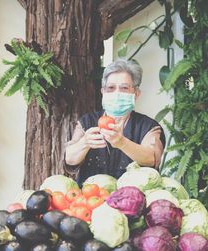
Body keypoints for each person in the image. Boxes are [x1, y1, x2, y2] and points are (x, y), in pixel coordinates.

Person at [64, 58, 165, 187]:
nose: (117, 93)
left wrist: (122, 143)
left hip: (132, 200)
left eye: (124, 88)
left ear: (136, 93)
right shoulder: (87, 122)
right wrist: (84, 143)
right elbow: (69, 159)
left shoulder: (149, 127)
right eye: (111, 88)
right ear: (103, 92)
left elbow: (152, 159)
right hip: (90, 199)